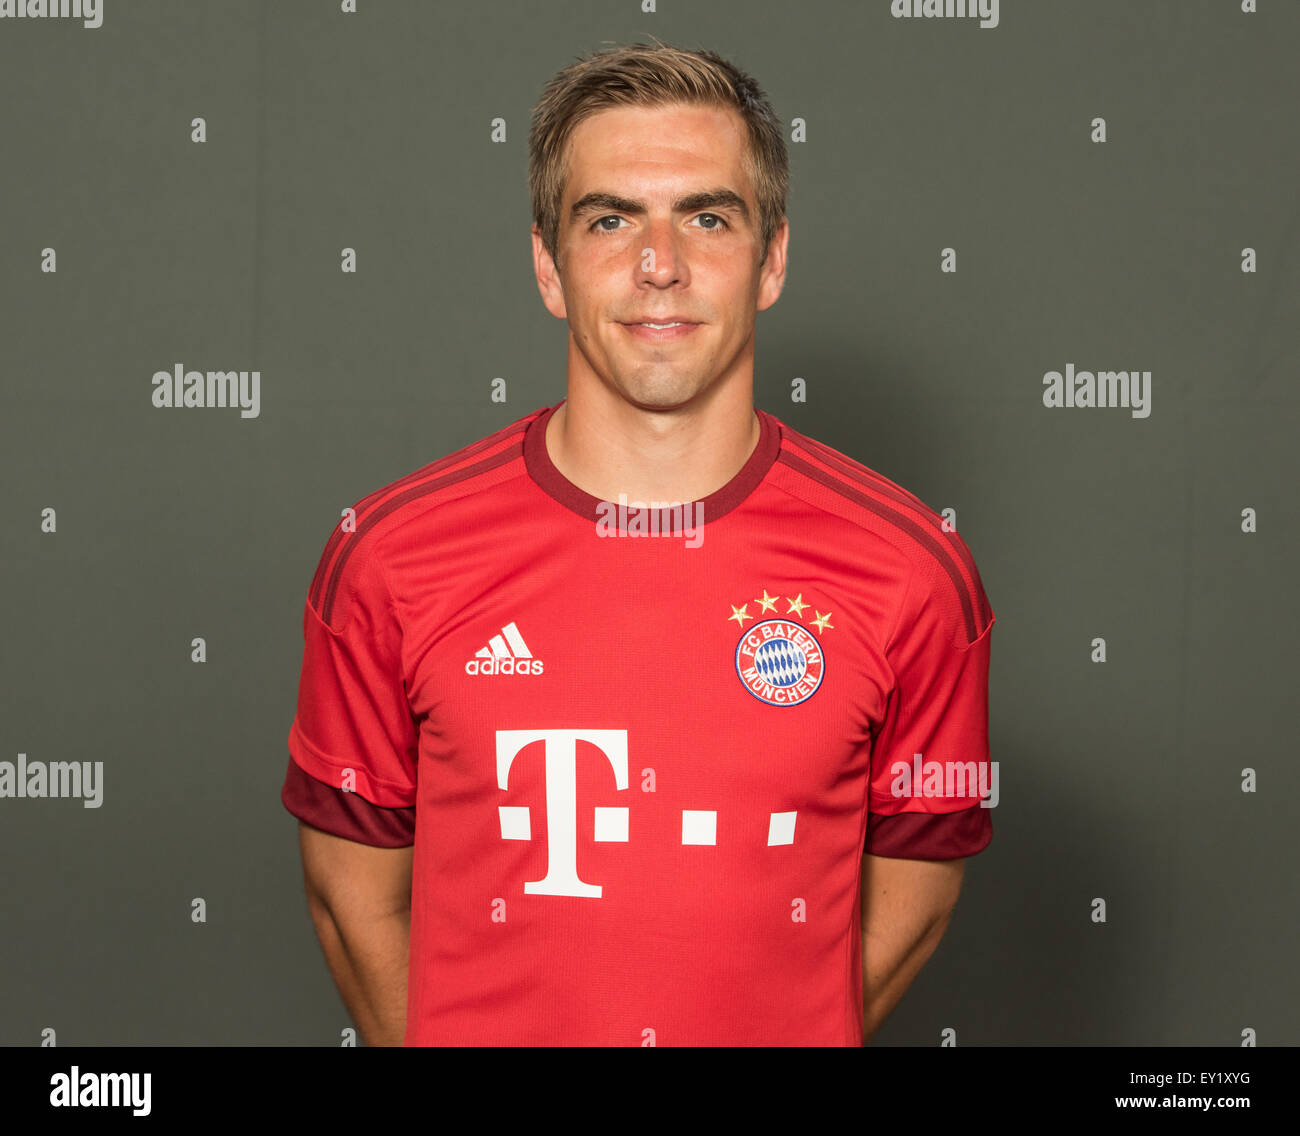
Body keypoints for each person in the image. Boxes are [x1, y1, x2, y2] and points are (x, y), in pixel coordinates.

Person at [282, 38, 996, 1047]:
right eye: (610, 219)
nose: (659, 266)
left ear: (772, 258)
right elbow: (352, 905)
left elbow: (910, 911)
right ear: (547, 265)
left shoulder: (914, 573)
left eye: (708, 217)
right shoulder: (389, 557)